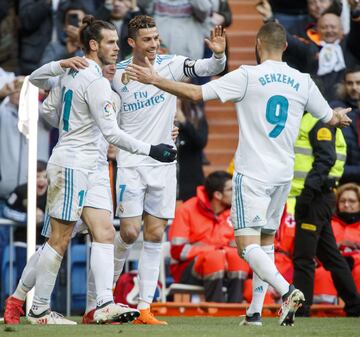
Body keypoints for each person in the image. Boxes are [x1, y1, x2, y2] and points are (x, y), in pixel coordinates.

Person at [125, 21, 352, 326]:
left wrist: (155, 79)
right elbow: (330, 118)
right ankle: (255, 313)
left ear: (258, 45)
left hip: (253, 173)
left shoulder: (247, 76)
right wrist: (339, 115)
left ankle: (287, 291)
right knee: (267, 242)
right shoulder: (303, 80)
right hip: (283, 176)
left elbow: (195, 93)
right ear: (285, 47)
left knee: (247, 247)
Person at [12, 16, 175, 325]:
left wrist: (72, 118)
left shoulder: (75, 74)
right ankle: (36, 308)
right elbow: (113, 133)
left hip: (91, 165)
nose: (117, 48)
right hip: (74, 164)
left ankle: (102, 303)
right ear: (93, 45)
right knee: (58, 241)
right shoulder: (95, 81)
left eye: (117, 42)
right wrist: (152, 149)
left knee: (104, 232)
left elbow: (47, 108)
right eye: (111, 42)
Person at [111, 15, 226, 325]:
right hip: (132, 162)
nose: (154, 44)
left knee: (154, 234)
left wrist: (218, 54)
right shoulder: (116, 74)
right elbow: (106, 118)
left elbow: (208, 70)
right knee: (129, 231)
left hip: (164, 163)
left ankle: (145, 308)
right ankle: (106, 294)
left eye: (156, 38)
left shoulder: (172, 64)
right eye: (147, 39)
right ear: (132, 43)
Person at [289, 109, 360, 317]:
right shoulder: (316, 120)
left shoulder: (318, 121)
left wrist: (307, 194)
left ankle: (301, 310)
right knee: (330, 256)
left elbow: (325, 159)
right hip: (316, 196)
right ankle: (354, 305)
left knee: (303, 256)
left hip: (314, 197)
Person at [169, 171, 249, 302]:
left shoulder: (235, 211)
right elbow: (177, 251)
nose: (236, 193)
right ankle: (216, 310)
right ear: (217, 195)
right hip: (186, 270)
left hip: (225, 265)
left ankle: (234, 311)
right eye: (231, 189)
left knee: (237, 258)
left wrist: (219, 250)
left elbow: (240, 245)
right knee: (215, 258)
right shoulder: (187, 209)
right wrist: (215, 250)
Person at [3, 160, 48, 243]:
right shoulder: (20, 191)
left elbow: (59, 214)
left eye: (45, 177)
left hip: (45, 243)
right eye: (37, 176)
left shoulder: (52, 194)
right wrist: (26, 217)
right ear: (29, 178)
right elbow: (6, 210)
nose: (41, 180)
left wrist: (43, 218)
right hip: (21, 241)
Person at [331, 66, 360, 184]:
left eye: (358, 83)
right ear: (343, 85)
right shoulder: (335, 108)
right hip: (344, 175)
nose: (354, 87)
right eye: (349, 83)